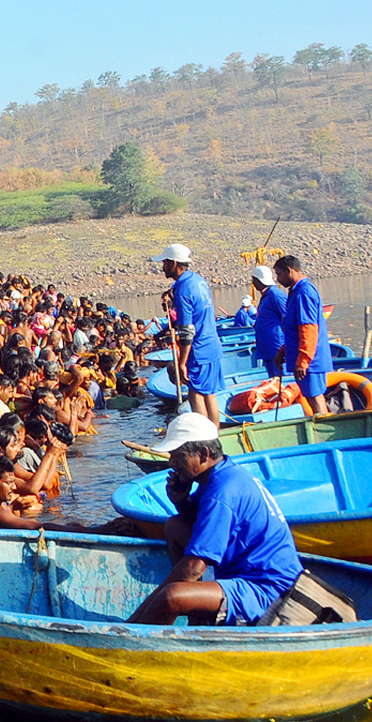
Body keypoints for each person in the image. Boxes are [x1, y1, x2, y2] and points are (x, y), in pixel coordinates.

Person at [127, 412, 303, 625]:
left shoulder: (222, 491)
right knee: (175, 526)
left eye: (178, 456)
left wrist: (139, 615)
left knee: (171, 596)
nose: (171, 462)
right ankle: (199, 617)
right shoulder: (221, 473)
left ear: (202, 454)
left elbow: (194, 567)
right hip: (245, 570)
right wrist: (181, 501)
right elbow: (201, 525)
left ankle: (145, 641)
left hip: (267, 589)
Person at [152, 243, 223, 426]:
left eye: (165, 263)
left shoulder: (183, 290)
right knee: (209, 393)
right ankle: (215, 433)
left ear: (174, 263)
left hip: (198, 349)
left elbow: (186, 331)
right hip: (211, 344)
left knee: (196, 394)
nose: (163, 268)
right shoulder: (197, 280)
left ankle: (205, 436)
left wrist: (182, 363)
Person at [273, 256, 334, 416]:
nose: (278, 279)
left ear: (289, 271)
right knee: (310, 395)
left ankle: (323, 428)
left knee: (315, 397)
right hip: (303, 357)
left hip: (311, 361)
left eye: (279, 274)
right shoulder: (296, 292)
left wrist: (304, 360)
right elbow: (295, 329)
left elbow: (308, 329)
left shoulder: (304, 293)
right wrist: (284, 351)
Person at [251, 265, 287, 378]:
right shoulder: (266, 296)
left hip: (276, 347)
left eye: (254, 280)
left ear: (260, 280)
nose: (253, 283)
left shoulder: (275, 295)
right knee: (273, 381)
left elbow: (288, 317)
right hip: (266, 348)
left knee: (282, 379)